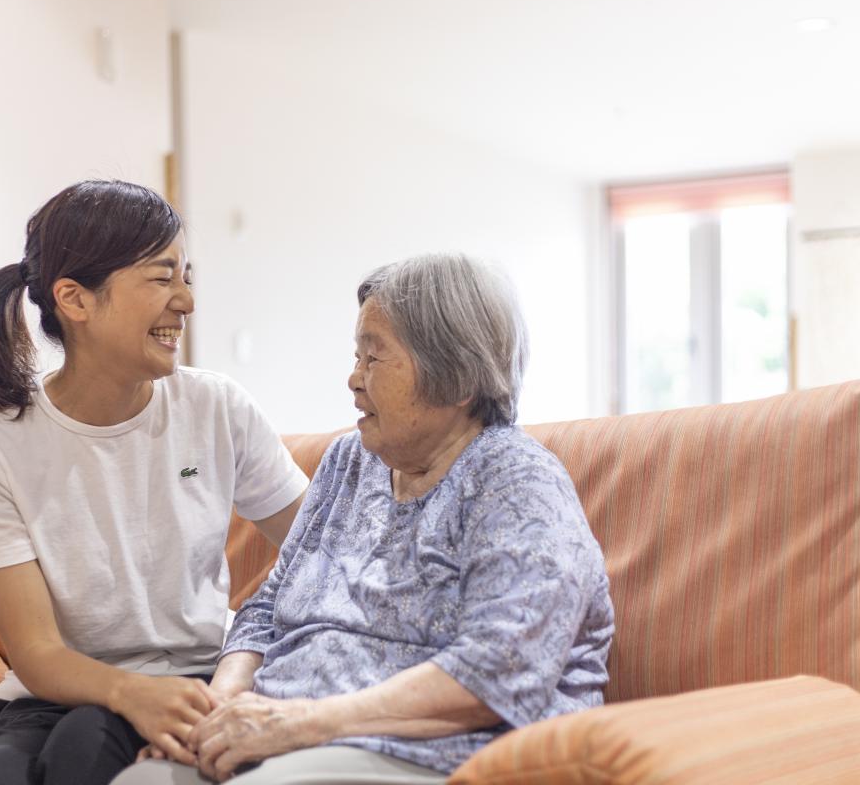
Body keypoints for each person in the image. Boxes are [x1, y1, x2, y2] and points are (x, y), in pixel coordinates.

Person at [115, 253, 614, 785]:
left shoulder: (515, 481)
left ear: (457, 377)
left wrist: (302, 723)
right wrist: (220, 711)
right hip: (293, 736)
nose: (353, 380)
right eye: (356, 356)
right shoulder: (351, 461)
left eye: (374, 359)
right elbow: (268, 608)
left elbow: (501, 669)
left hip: (432, 752)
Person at [0, 180, 308, 785]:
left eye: (186, 276)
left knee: (83, 753)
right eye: (163, 278)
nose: (187, 301)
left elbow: (319, 548)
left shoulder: (216, 407)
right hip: (53, 691)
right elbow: (36, 653)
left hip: (195, 678)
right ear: (76, 300)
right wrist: (128, 692)